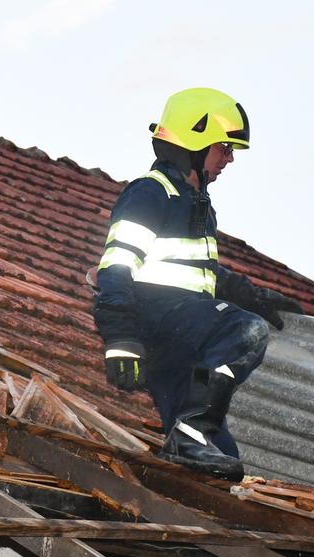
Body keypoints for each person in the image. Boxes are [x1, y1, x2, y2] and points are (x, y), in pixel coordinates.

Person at [92, 88, 302, 481]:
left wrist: (250, 294)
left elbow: (197, 271)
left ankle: (181, 454)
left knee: (222, 464)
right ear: (194, 141)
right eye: (224, 147)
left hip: (182, 335)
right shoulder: (151, 192)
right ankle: (189, 435)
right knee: (246, 329)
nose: (229, 159)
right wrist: (120, 340)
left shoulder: (197, 204)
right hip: (158, 319)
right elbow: (116, 266)